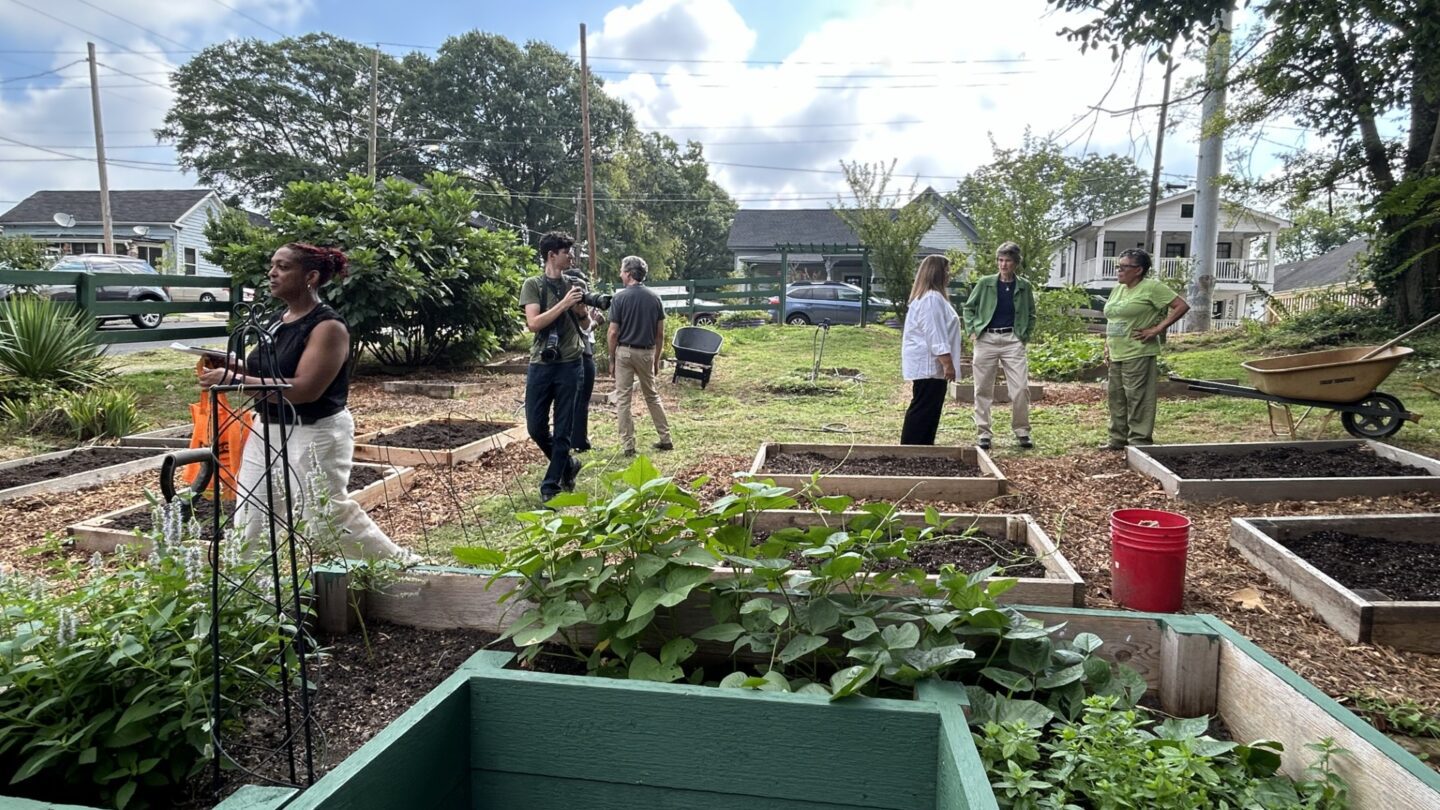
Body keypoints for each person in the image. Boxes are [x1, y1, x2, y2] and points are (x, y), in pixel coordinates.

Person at [198, 242, 414, 561]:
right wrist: (232, 365)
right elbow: (270, 370)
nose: (271, 273)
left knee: (324, 519)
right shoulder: (278, 320)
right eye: (272, 265)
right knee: (252, 518)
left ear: (310, 276)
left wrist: (235, 382)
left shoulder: (328, 327)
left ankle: (400, 568)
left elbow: (304, 389)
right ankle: (248, 598)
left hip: (315, 433)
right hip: (267, 428)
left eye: (283, 267)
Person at [519, 232, 590, 501]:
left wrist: (581, 310)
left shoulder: (576, 283)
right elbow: (534, 323)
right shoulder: (533, 284)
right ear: (552, 255)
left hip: (571, 363)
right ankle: (568, 464)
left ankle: (551, 485)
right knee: (535, 427)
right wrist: (565, 303)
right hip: (541, 364)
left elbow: (584, 325)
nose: (571, 256)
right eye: (566, 252)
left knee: (563, 428)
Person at [1102, 248, 1191, 450]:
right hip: (1117, 351)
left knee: (1137, 397)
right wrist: (1107, 345)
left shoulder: (1151, 287)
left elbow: (1181, 306)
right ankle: (1117, 440)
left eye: (1124, 266)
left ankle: (1139, 442)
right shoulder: (1119, 289)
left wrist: (1157, 329)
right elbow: (1115, 318)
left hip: (1138, 350)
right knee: (1116, 397)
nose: (1119, 270)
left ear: (1139, 269)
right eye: (1118, 266)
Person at [962, 241, 1038, 450]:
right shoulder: (985, 283)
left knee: (1021, 388)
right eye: (1001, 260)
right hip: (986, 338)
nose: (1004, 265)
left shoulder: (1024, 286)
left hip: (1013, 340)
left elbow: (1031, 313)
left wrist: (1024, 335)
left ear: (1016, 263)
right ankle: (983, 432)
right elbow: (969, 308)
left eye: (1008, 261)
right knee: (983, 388)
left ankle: (1022, 430)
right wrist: (972, 330)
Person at [607, 255, 673, 457]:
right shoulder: (655, 298)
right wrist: (656, 359)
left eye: (621, 270)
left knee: (624, 399)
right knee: (652, 395)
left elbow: (613, 332)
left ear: (628, 273)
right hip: (646, 352)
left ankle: (628, 445)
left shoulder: (619, 298)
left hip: (625, 352)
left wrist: (611, 358)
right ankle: (666, 438)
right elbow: (660, 333)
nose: (620, 274)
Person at [900, 255, 964, 445]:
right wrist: (947, 363)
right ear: (936, 273)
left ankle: (924, 446)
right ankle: (912, 448)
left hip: (930, 364)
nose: (949, 275)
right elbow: (935, 333)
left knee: (929, 407)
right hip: (929, 364)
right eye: (946, 270)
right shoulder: (931, 298)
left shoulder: (931, 297)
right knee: (924, 407)